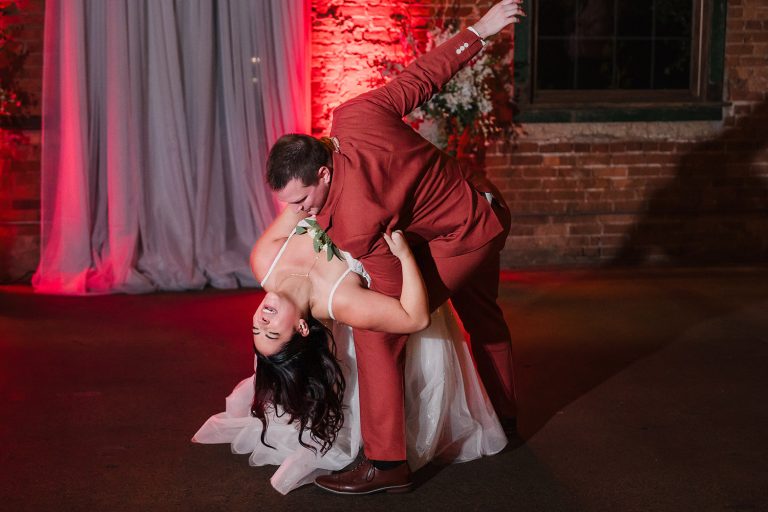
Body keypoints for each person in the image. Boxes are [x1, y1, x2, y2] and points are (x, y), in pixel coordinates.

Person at [264, 0, 524, 494]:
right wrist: (481, 30)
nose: (297, 211)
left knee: (374, 332)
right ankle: (505, 418)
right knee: (483, 314)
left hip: (467, 233)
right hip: (482, 200)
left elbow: (396, 308)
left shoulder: (353, 224)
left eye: (301, 200)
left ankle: (386, 464)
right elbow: (422, 77)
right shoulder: (354, 115)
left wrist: (347, 306)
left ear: (321, 172)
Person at [193, 206, 507, 494]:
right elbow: (415, 318)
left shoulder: (263, 261)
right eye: (272, 332)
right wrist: (405, 257)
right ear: (302, 329)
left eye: (256, 329)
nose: (262, 320)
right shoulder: (340, 300)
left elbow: (297, 204)